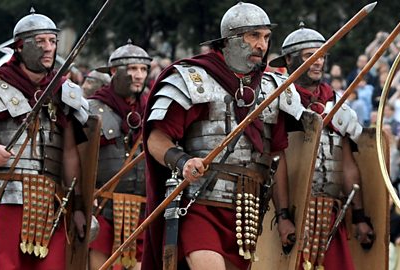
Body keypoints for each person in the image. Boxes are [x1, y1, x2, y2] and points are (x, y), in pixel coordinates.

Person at [142, 2, 300, 270]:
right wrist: (183, 162)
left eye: (266, 37)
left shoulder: (275, 89)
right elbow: (156, 139)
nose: (262, 45)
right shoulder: (194, 79)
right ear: (230, 40)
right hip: (199, 203)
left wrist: (283, 215)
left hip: (246, 212)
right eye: (254, 36)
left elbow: (277, 157)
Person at [0, 9, 89, 270]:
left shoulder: (64, 92)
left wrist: (77, 205)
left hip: (53, 204)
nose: (49, 48)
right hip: (7, 199)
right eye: (40, 41)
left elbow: (70, 154)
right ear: (20, 47)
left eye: (52, 41)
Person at [269, 25, 375, 269]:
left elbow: (346, 164)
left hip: (329, 214)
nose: (318, 62)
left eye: (322, 56)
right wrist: (283, 216)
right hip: (294, 214)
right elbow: (276, 158)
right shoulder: (280, 99)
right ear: (289, 59)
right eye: (310, 56)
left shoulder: (337, 104)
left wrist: (359, 216)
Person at [87, 40, 151, 270]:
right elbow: (82, 159)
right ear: (114, 71)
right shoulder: (93, 109)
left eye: (143, 69)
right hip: (103, 205)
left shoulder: (153, 110)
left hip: (142, 207)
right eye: (133, 69)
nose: (139, 75)